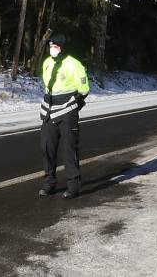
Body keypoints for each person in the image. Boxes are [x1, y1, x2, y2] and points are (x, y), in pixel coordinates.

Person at [38, 33, 90, 199]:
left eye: (56, 46)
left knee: (69, 149)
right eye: (51, 45)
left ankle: (73, 185)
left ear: (63, 47)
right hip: (48, 111)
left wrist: (74, 106)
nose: (53, 48)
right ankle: (49, 184)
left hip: (67, 112)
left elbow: (84, 90)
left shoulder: (74, 64)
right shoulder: (47, 62)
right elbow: (47, 86)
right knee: (47, 148)